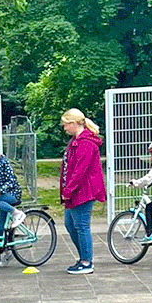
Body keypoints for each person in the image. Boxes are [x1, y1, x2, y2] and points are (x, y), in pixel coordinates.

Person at [59, 108, 106, 274]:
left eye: (66, 125)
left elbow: (80, 171)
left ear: (73, 124)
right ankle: (84, 257)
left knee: (81, 226)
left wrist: (68, 190)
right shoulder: (75, 141)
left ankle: (87, 262)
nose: (64, 128)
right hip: (76, 192)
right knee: (70, 224)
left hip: (84, 192)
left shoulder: (85, 143)